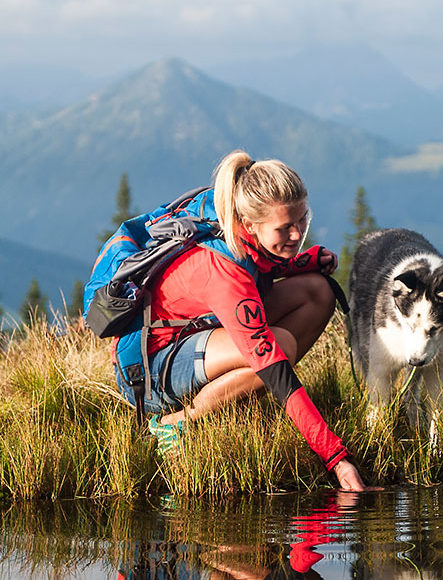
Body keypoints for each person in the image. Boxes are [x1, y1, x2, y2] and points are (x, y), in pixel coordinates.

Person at [138, 150, 372, 492]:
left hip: (199, 336)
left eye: (302, 220)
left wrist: (302, 262)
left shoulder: (240, 232)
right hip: (155, 369)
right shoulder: (223, 271)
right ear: (249, 225)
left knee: (317, 291)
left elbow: (260, 267)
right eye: (285, 228)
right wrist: (337, 459)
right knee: (280, 349)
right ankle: (175, 424)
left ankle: (242, 396)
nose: (297, 234)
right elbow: (268, 350)